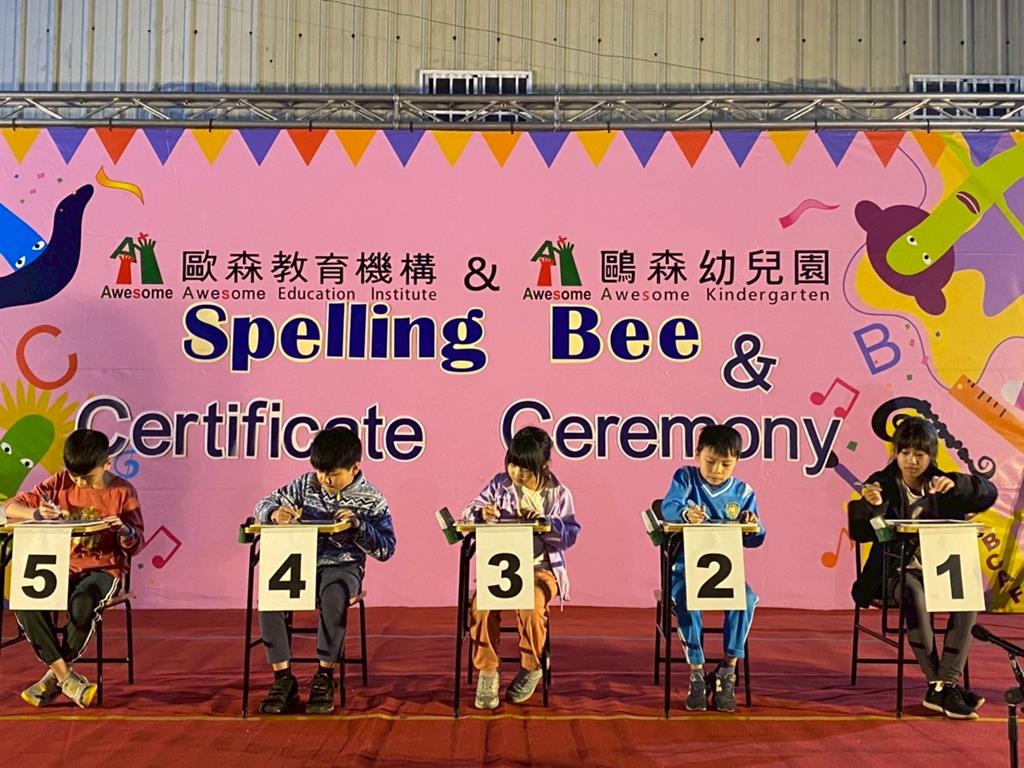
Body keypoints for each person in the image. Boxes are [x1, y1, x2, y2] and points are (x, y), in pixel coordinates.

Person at [850, 416, 996, 720]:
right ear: (896, 453)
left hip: (940, 571)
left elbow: (988, 493)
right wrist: (873, 507)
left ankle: (943, 685)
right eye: (905, 453)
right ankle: (941, 686)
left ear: (931, 456)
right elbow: (864, 531)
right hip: (893, 572)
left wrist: (958, 484)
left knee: (968, 598)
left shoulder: (943, 483)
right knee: (913, 592)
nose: (912, 461)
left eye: (919, 454)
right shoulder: (882, 483)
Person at [254, 427, 395, 715]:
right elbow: (262, 505)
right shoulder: (304, 485)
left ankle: (324, 676)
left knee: (334, 596)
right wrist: (275, 514)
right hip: (299, 562)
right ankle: (283, 679)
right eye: (320, 472)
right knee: (271, 595)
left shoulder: (372, 498)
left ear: (355, 467)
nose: (325, 480)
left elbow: (386, 549)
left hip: (343, 565)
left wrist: (358, 526)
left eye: (332, 474)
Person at [4, 428, 144, 708]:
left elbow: (136, 542)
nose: (79, 483)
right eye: (74, 475)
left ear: (107, 464)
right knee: (26, 600)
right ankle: (66, 677)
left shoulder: (122, 491)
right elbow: (10, 507)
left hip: (104, 569)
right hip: (60, 567)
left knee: (83, 601)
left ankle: (55, 678)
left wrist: (124, 530)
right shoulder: (59, 483)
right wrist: (36, 513)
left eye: (87, 478)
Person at [463, 426, 580, 710]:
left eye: (525, 470)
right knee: (481, 606)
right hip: (500, 569)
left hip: (541, 570)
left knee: (532, 604)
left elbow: (571, 535)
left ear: (545, 465)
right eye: (512, 465)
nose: (516, 473)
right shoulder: (499, 485)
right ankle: (487, 672)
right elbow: (467, 514)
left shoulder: (559, 494)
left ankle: (532, 666)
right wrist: (481, 513)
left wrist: (546, 524)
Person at [661, 424, 764, 712]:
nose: (717, 470)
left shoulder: (744, 492)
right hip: (685, 572)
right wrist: (685, 513)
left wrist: (752, 524)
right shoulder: (685, 478)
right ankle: (696, 672)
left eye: (726, 464)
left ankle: (727, 671)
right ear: (697, 455)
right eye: (710, 461)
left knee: (747, 599)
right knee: (687, 600)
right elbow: (668, 507)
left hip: (727, 577)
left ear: (737, 462)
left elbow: (757, 538)